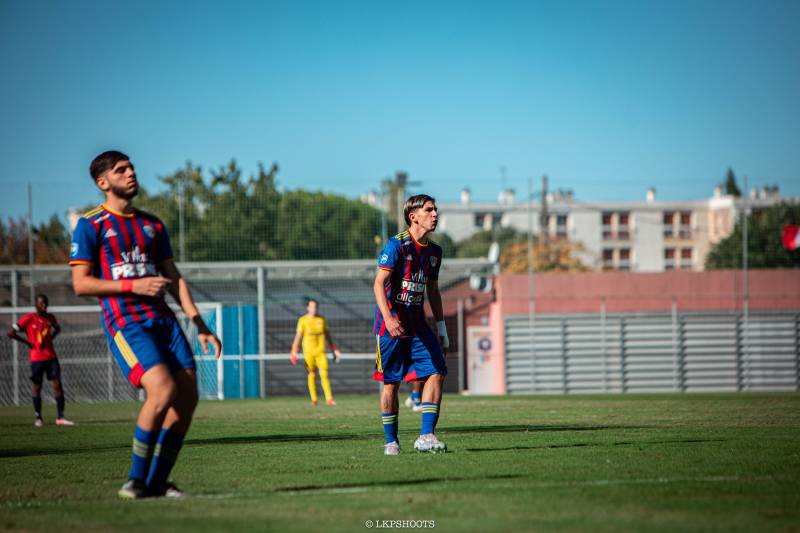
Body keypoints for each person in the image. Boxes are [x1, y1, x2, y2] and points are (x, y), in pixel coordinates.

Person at [69, 150, 221, 499]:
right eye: (120, 170)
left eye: (131, 167)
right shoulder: (91, 224)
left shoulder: (152, 224)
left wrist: (200, 324)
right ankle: (135, 480)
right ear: (103, 182)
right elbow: (81, 284)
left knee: (187, 398)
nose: (130, 173)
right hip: (127, 323)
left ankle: (157, 482)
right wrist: (133, 286)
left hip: (165, 321)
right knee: (162, 390)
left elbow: (174, 277)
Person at [373, 194, 450, 455]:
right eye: (429, 210)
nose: (435, 214)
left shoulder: (435, 252)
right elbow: (378, 284)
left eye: (435, 209)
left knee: (438, 370)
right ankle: (391, 442)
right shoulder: (397, 245)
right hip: (390, 327)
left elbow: (433, 291)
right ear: (413, 216)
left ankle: (426, 436)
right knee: (391, 383)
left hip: (418, 326)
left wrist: (441, 328)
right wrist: (388, 318)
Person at [7, 294, 74, 427]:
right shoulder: (29, 318)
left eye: (46, 303)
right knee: (37, 387)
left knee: (57, 385)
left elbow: (57, 328)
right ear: (36, 305)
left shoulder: (50, 317)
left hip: (51, 357)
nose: (44, 305)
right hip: (37, 358)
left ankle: (60, 417)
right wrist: (27, 343)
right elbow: (11, 333)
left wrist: (51, 338)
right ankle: (38, 418)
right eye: (42, 303)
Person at [290, 299, 342, 406]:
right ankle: (314, 400)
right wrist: (294, 350)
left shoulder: (322, 319)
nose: (314, 309)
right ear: (307, 308)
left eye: (315, 307)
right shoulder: (303, 320)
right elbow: (298, 336)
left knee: (324, 374)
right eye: (312, 307)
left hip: (321, 353)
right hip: (308, 353)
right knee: (311, 375)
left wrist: (334, 349)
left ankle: (329, 399)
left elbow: (328, 335)